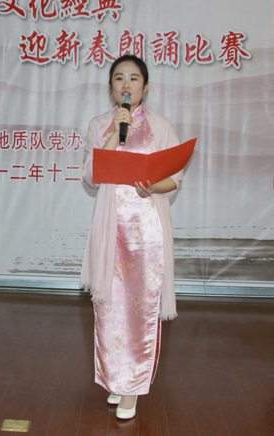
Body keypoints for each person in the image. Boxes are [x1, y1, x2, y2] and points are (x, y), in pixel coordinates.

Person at [80, 55, 184, 420]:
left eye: (134, 78)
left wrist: (152, 186)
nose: (126, 85)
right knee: (109, 307)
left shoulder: (160, 125)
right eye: (119, 78)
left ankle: (133, 388)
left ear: (146, 85)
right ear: (110, 86)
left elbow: (175, 178)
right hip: (111, 228)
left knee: (140, 309)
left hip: (146, 230)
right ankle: (116, 379)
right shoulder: (99, 125)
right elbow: (91, 175)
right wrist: (114, 133)